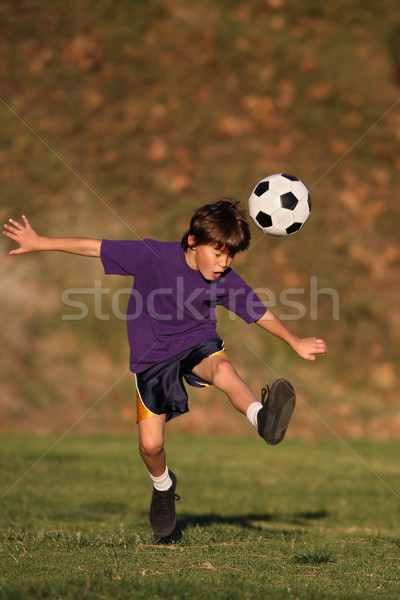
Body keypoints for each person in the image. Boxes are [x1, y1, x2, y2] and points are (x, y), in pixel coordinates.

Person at [3, 200, 328, 538]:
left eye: (230, 256)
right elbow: (94, 246)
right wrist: (41, 242)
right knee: (150, 446)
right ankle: (163, 486)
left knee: (222, 370)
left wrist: (294, 341)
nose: (223, 264)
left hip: (197, 343)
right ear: (192, 241)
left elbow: (258, 312)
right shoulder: (152, 256)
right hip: (152, 359)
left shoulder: (225, 279)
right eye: (217, 254)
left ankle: (262, 419)